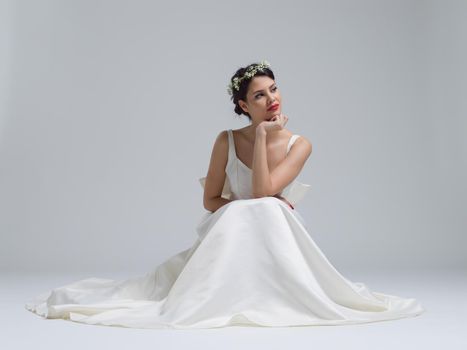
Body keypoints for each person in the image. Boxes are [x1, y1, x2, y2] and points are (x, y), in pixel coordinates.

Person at [25, 60, 425, 330]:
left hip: (278, 233)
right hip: (230, 229)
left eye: (273, 90)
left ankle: (275, 293)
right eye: (259, 96)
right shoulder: (227, 140)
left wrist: (266, 144)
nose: (272, 100)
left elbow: (266, 191)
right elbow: (211, 201)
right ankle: (219, 293)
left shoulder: (299, 144)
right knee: (253, 209)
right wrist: (242, 204)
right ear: (242, 104)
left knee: (268, 207)